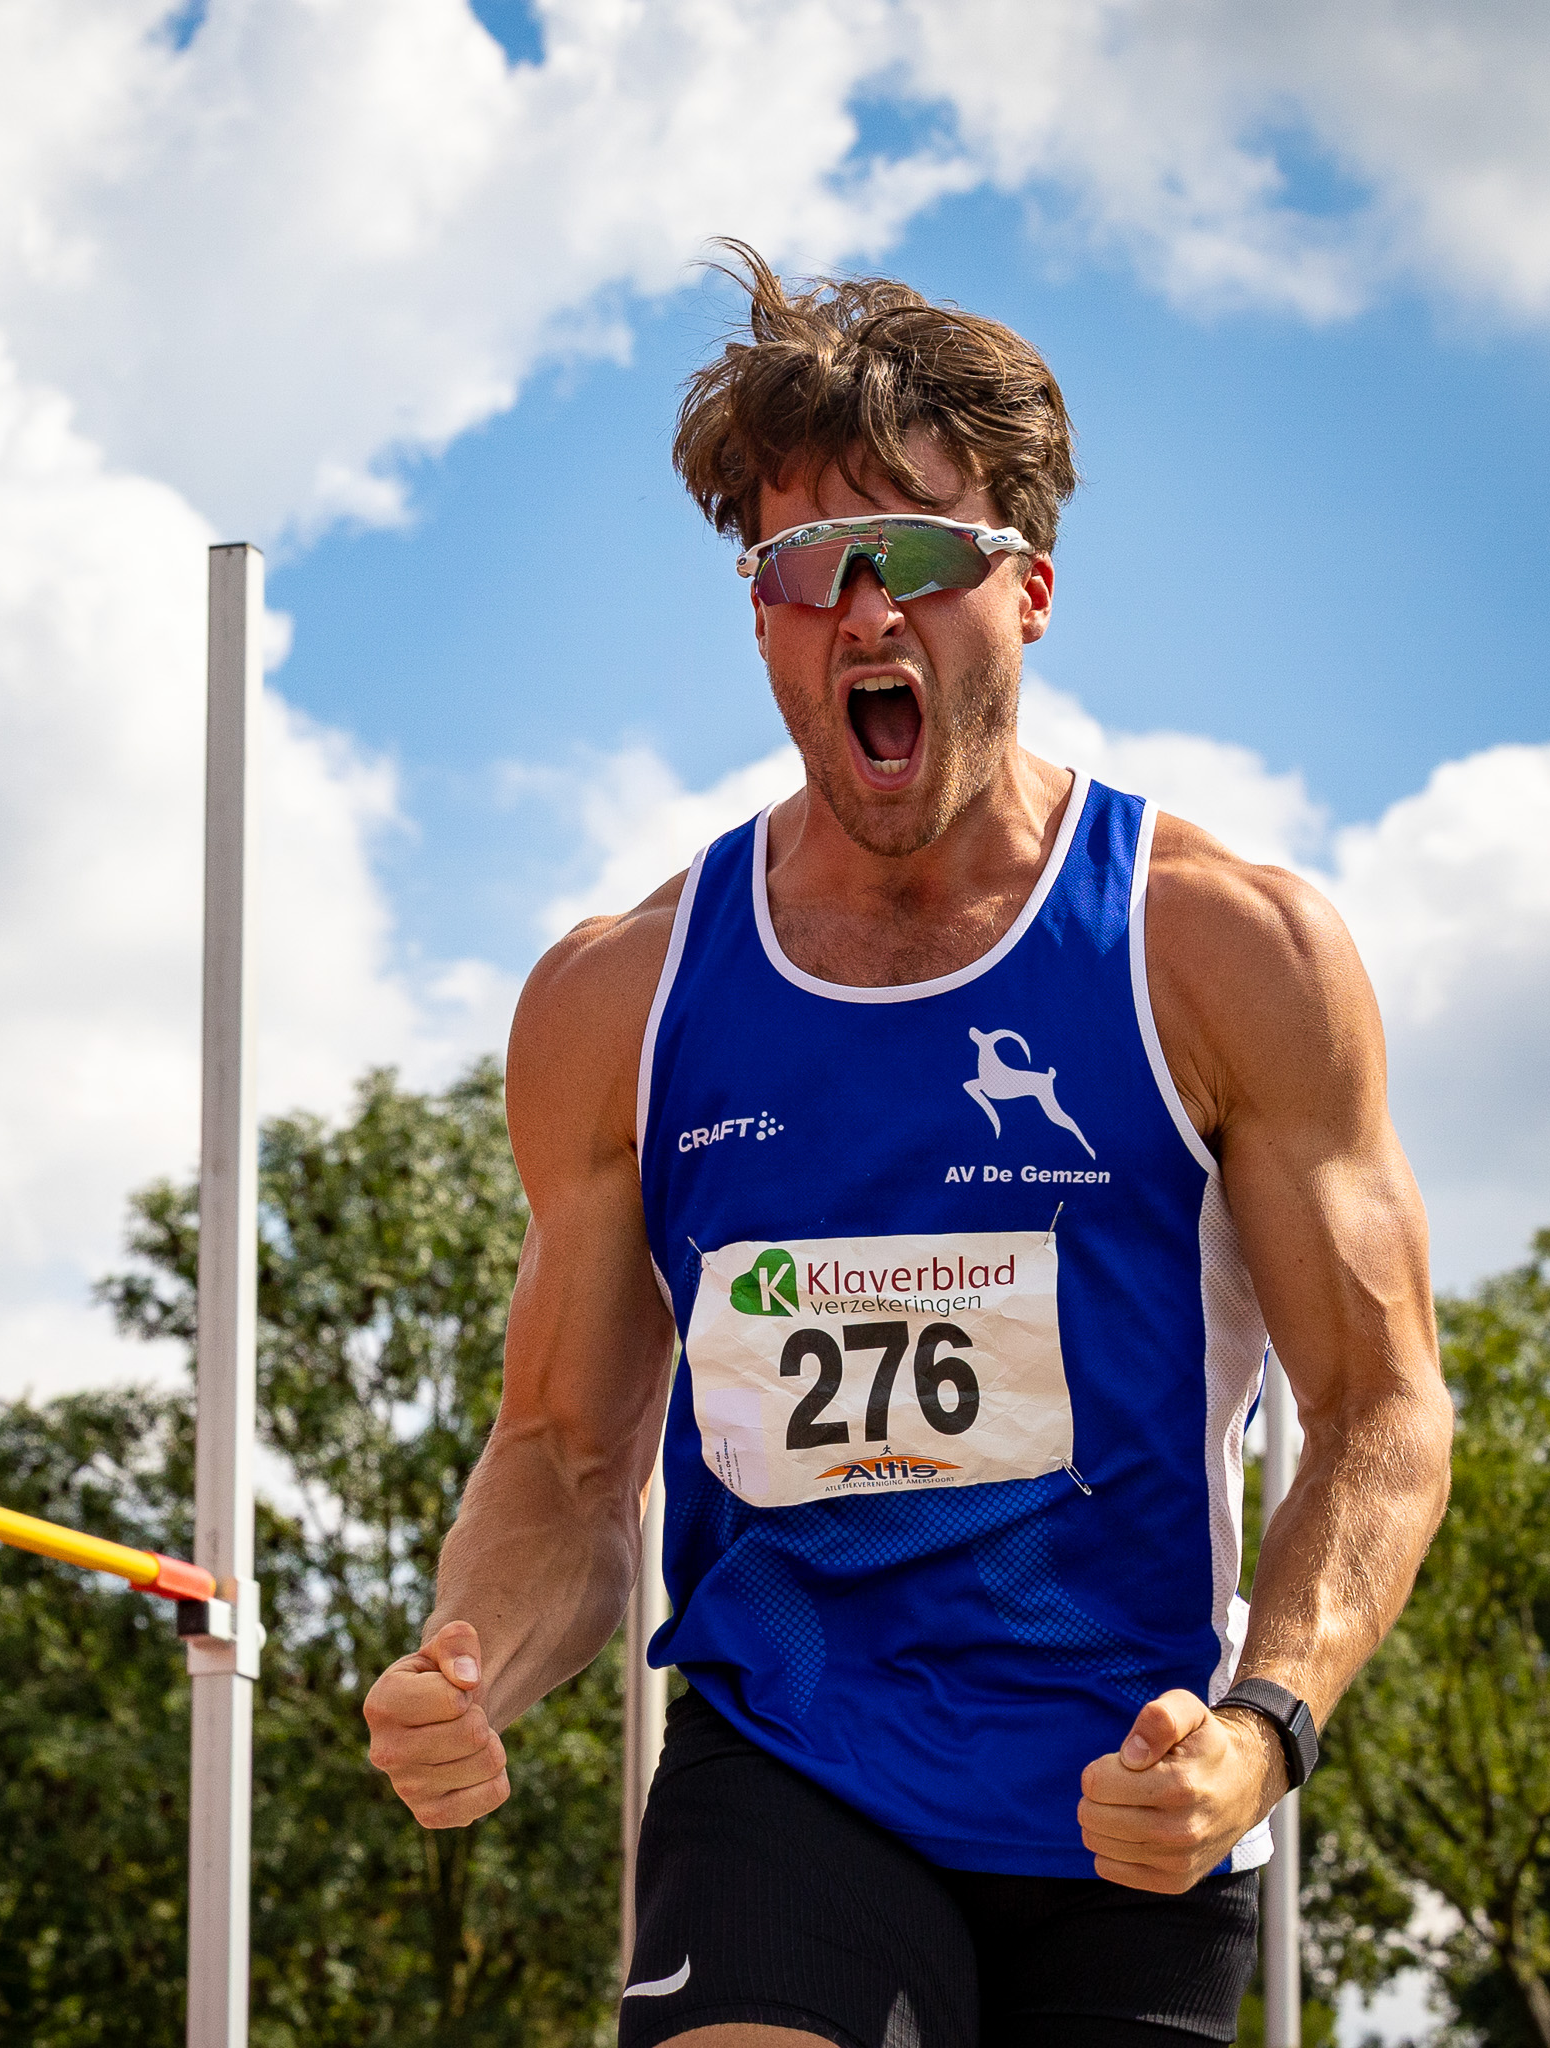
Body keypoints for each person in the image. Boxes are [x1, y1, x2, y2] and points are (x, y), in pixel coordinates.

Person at [361, 244, 1454, 2048]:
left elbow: (1382, 1410)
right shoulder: (620, 999)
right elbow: (562, 1452)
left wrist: (1267, 1725)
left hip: (1129, 1782)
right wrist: (472, 1662)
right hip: (789, 1752)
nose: (866, 614)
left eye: (923, 558)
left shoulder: (1222, 951)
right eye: (806, 567)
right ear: (761, 619)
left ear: (1029, 592)